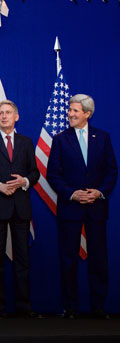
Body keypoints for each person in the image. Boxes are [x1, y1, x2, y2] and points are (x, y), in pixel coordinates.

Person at [47, 94, 118, 319]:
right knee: (68, 259)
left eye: (75, 110)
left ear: (87, 113)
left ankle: (98, 307)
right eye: (70, 110)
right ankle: (70, 307)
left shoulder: (103, 138)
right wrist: (72, 194)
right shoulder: (60, 139)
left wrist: (99, 192)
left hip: (96, 207)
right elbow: (53, 174)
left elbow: (112, 171)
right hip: (71, 208)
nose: (70, 114)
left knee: (98, 258)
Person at [0, 100, 39, 319]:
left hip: (21, 207)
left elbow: (34, 172)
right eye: (0, 113)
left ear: (16, 117)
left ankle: (24, 307)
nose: (3, 116)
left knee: (23, 260)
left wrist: (24, 181)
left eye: (8, 113)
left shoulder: (26, 142)